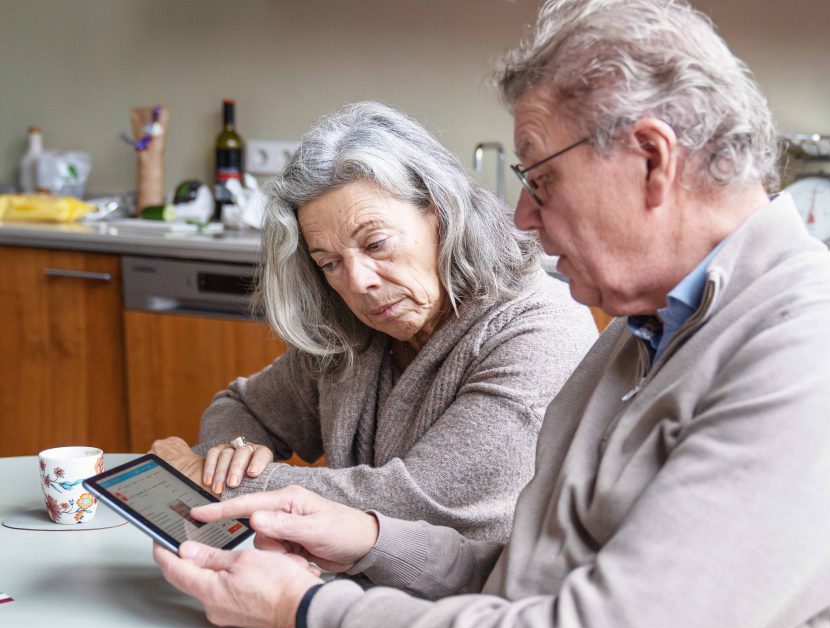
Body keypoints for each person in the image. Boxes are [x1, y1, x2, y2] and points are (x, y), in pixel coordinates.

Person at [153, 1, 830, 628]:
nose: (522, 217)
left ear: (651, 160)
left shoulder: (824, 346)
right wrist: (367, 538)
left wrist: (314, 610)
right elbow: (522, 577)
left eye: (539, 179)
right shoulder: (641, 337)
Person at [151, 100, 597, 542]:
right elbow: (241, 408)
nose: (358, 282)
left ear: (440, 213)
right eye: (329, 264)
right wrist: (232, 455)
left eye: (376, 244)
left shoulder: (542, 328)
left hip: (488, 605)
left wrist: (210, 480)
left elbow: (419, 502)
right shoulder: (360, 332)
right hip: (362, 590)